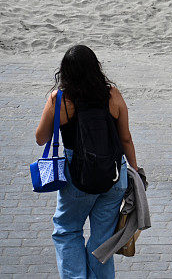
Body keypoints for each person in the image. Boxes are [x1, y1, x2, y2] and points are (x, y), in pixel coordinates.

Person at [35, 45, 138, 278]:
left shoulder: (60, 99)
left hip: (77, 176)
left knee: (67, 230)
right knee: (104, 239)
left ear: (65, 72)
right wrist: (135, 168)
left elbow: (41, 138)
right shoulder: (112, 94)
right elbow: (126, 138)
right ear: (96, 68)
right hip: (113, 175)